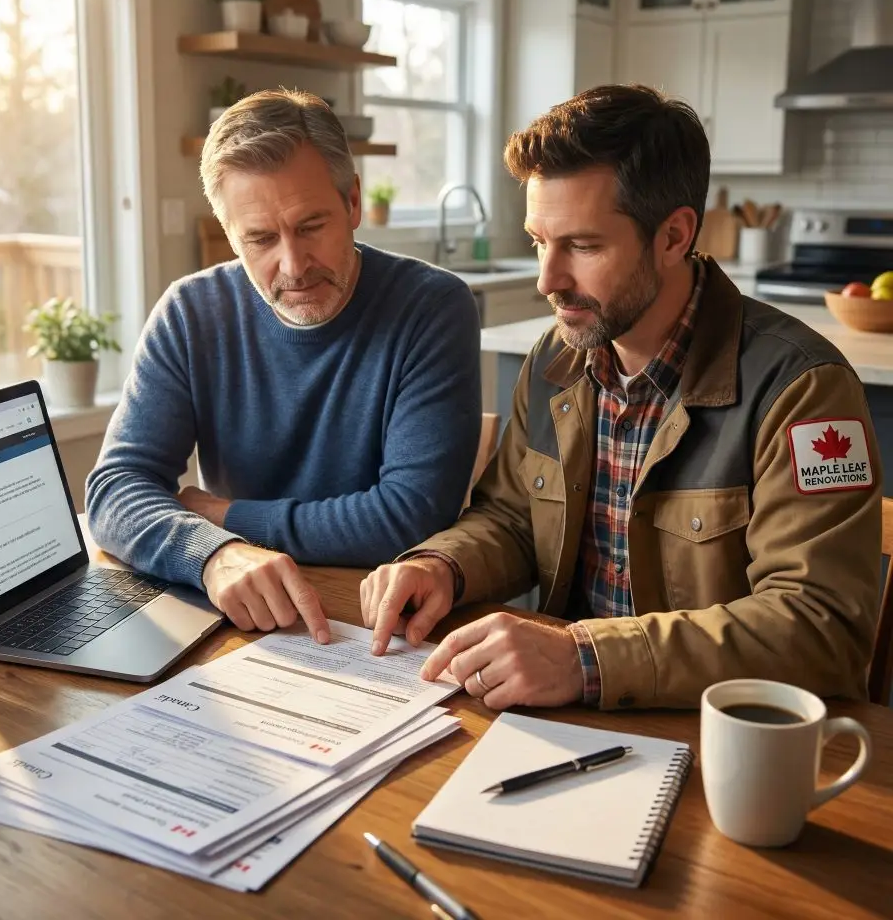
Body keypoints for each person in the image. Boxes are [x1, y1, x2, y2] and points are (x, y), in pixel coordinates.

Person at [361, 83, 881, 710]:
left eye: (582, 246)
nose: (547, 280)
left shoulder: (802, 389)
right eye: (538, 241)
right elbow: (512, 518)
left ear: (672, 237)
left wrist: (586, 659)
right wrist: (443, 565)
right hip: (569, 717)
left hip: (721, 737)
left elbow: (820, 626)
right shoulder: (557, 358)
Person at [87, 89, 481, 643]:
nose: (293, 266)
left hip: (382, 624)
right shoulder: (190, 311)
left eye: (311, 225)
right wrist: (213, 555)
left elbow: (406, 517)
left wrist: (226, 517)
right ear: (230, 236)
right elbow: (114, 491)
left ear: (352, 204)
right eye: (261, 238)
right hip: (245, 614)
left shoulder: (432, 307)